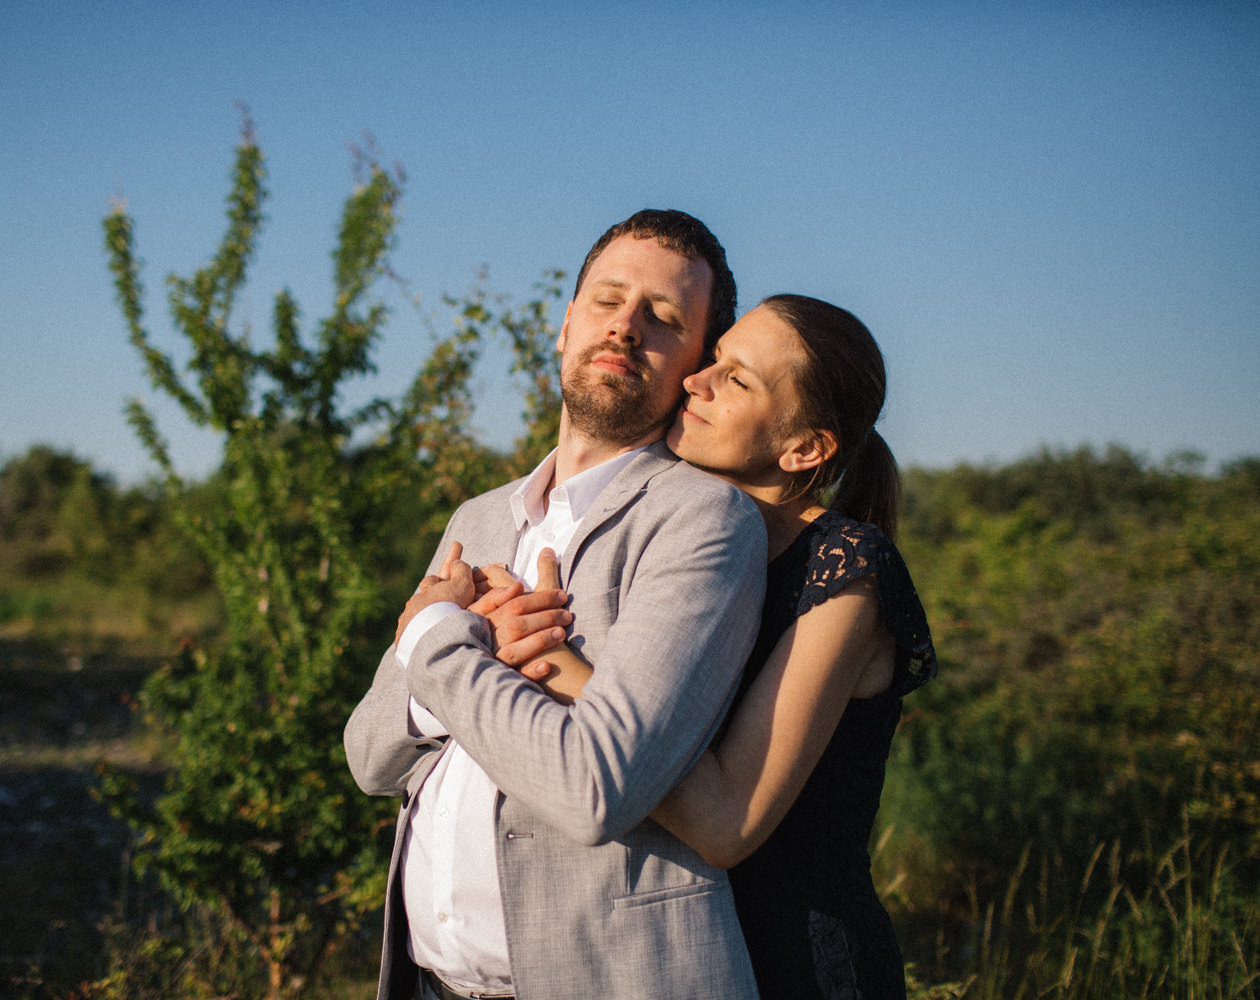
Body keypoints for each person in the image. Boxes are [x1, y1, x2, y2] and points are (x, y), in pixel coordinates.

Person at [344, 210, 769, 1000]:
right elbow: (368, 754)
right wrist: (464, 656)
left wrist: (438, 637)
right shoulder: (477, 518)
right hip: (431, 986)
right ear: (567, 322)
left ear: (697, 364)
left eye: (664, 318)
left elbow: (595, 790)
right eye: (608, 300)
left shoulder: (703, 520)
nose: (626, 327)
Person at [487, 294, 937, 999]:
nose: (696, 381)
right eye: (714, 360)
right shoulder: (682, 535)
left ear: (805, 449)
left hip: (801, 966)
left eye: (738, 379)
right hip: (677, 957)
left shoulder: (847, 572)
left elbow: (728, 823)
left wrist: (558, 665)